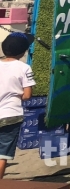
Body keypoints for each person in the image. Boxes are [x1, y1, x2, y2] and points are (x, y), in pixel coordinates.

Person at [0, 33, 34, 179]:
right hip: (11, 115)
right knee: (2, 154)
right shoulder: (25, 68)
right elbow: (27, 95)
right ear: (23, 52)